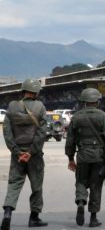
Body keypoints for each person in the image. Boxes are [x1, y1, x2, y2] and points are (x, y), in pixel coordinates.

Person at [65, 88, 105, 228]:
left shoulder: (76, 117)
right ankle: (93, 218)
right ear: (97, 101)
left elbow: (70, 140)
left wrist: (70, 158)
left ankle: (81, 202)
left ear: (83, 102)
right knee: (96, 186)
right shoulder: (102, 116)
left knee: (81, 181)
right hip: (99, 157)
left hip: (82, 155)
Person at [1, 79, 48, 230]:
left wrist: (17, 152)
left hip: (17, 155)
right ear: (36, 92)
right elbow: (42, 133)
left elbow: (7, 133)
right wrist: (30, 152)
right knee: (37, 185)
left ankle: (7, 213)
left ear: (23, 90)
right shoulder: (40, 106)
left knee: (14, 184)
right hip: (34, 155)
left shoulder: (12, 106)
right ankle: (34, 218)